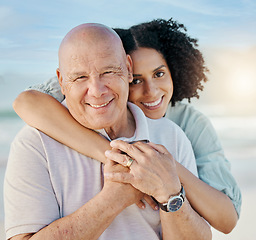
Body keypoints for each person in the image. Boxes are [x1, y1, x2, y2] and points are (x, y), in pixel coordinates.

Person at [13, 19, 240, 233]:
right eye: (137, 80)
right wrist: (123, 158)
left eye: (159, 74)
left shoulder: (186, 124)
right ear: (128, 74)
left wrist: (160, 167)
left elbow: (226, 219)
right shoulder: (95, 86)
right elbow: (27, 102)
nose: (151, 91)